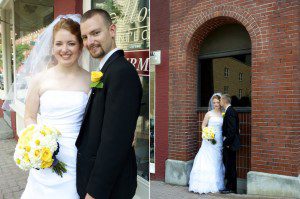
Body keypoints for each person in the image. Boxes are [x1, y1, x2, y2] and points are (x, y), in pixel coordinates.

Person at [20, 15, 90, 199]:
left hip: (77, 157)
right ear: (52, 47)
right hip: (45, 156)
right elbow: (29, 116)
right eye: (59, 44)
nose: (64, 49)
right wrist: (39, 141)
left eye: (71, 43)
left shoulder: (91, 81)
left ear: (80, 47)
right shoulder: (40, 79)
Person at [75, 9, 142, 199]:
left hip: (109, 188)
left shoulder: (121, 72)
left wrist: (94, 192)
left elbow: (114, 142)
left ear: (112, 30)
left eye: (96, 33)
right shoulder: (105, 69)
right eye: (85, 37)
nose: (90, 42)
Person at [189, 93, 225, 194]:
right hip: (209, 140)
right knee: (206, 158)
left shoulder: (223, 113)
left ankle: (216, 183)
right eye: (214, 102)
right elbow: (203, 125)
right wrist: (208, 135)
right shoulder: (209, 114)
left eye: (217, 102)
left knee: (217, 159)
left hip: (219, 139)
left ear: (220, 102)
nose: (215, 104)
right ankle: (203, 184)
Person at [220, 94, 241, 194]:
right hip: (230, 143)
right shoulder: (230, 111)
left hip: (230, 144)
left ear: (224, 101)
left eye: (220, 100)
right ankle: (232, 187)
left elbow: (232, 130)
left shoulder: (230, 112)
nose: (220, 102)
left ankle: (230, 188)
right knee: (230, 165)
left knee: (230, 166)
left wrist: (227, 143)